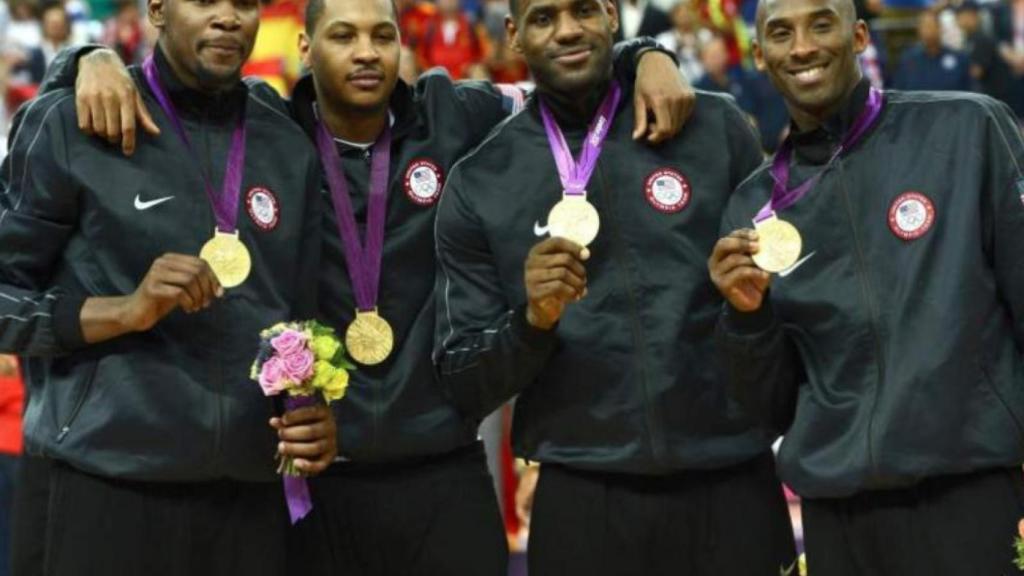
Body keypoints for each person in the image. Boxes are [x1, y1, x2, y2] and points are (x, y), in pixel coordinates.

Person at [53, 0, 694, 571]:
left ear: (401, 46)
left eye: (382, 35)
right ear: (306, 49)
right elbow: (147, 87)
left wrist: (646, 54)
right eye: (342, 35)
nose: (366, 52)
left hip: (443, 472)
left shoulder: (456, 115)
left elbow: (567, 77)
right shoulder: (270, 135)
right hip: (318, 480)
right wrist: (90, 55)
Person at [433, 0, 797, 573]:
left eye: (582, 10)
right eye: (544, 17)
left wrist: (751, 311)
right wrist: (533, 322)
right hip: (583, 496)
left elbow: (782, 303)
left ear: (609, 15)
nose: (568, 30)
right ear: (514, 36)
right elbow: (463, 382)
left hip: (730, 479)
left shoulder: (713, 125)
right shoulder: (482, 180)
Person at [0, 0, 337, 572]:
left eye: (246, 3)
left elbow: (299, 320)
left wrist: (313, 407)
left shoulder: (286, 144)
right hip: (105, 487)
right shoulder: (74, 122)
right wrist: (125, 311)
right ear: (156, 8)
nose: (229, 18)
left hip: (247, 503)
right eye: (206, 1)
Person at [708, 0, 1024, 572]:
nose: (802, 46)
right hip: (840, 519)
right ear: (759, 54)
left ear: (857, 37)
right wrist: (745, 319)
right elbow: (769, 406)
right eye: (781, 32)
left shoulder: (967, 129)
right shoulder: (753, 208)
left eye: (820, 24)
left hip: (970, 495)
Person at [893, 10, 972, 92]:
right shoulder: (909, 60)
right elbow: (899, 91)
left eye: (930, 26)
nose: (927, 31)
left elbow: (970, 92)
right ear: (919, 30)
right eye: (923, 26)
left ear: (940, 28)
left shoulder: (959, 59)